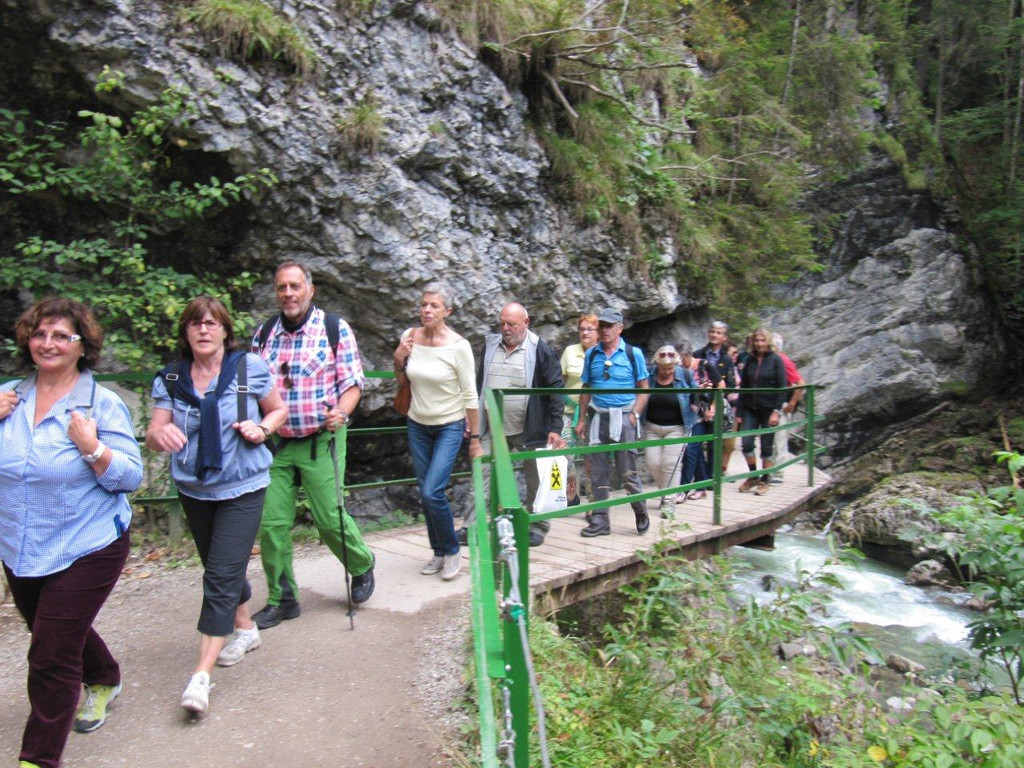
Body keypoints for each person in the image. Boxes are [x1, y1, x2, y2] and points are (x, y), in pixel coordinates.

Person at [0, 298, 143, 768]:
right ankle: (103, 677)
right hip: (21, 544)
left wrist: (93, 447)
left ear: (82, 346)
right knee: (53, 629)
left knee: (50, 654)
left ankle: (38, 759)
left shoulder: (102, 404)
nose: (48, 343)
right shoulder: (7, 398)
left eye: (61, 335)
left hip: (89, 544)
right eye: (40, 334)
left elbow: (129, 477)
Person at [147, 296, 288, 715]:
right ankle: (245, 628)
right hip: (195, 488)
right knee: (218, 566)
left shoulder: (249, 369)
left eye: (212, 323)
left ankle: (200, 676)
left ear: (226, 330)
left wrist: (262, 428)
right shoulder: (172, 378)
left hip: (243, 486)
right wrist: (160, 436)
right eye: (196, 324)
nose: (204, 330)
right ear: (186, 332)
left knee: (221, 575)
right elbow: (154, 431)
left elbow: (278, 410)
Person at [250, 261, 376, 629]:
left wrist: (341, 412)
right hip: (277, 443)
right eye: (282, 287)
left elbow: (352, 383)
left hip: (322, 438)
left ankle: (361, 563)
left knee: (328, 517)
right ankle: (282, 599)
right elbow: (254, 388)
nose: (288, 293)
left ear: (310, 289)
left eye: (294, 286)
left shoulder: (334, 329)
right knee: (271, 523)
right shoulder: (264, 335)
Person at [393, 283, 482, 579]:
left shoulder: (459, 346)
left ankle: (453, 549)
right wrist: (398, 358)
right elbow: (402, 380)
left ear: (447, 311)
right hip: (417, 424)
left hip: (449, 425)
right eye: (424, 305)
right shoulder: (409, 337)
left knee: (433, 491)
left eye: (434, 306)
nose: (427, 310)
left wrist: (475, 438)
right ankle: (438, 552)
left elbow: (470, 394)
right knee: (425, 491)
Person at [464, 302, 564, 548]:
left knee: (536, 479)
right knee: (481, 474)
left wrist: (555, 427)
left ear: (526, 323)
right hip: (491, 426)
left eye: (511, 324)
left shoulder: (541, 350)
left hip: (530, 428)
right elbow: (479, 384)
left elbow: (556, 390)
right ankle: (471, 527)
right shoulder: (490, 346)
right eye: (502, 323)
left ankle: (537, 526)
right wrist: (473, 417)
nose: (506, 328)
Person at [574, 307, 650, 537]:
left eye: (609, 326)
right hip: (598, 417)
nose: (604, 330)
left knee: (627, 471)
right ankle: (600, 520)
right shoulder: (592, 355)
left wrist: (634, 415)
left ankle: (640, 509)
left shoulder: (633, 354)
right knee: (597, 471)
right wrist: (581, 418)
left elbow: (644, 389)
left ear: (620, 328)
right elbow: (586, 388)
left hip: (624, 417)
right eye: (602, 325)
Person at [643, 345, 697, 518]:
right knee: (652, 463)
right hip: (652, 427)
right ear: (657, 365)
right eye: (664, 368)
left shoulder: (685, 375)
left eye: (670, 368)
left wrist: (698, 405)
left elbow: (696, 394)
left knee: (671, 464)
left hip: (677, 428)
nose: (667, 371)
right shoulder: (649, 375)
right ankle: (667, 491)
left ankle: (669, 502)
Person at [736, 328, 788, 495]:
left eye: (762, 340)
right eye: (757, 340)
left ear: (768, 342)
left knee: (766, 446)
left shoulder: (775, 360)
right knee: (746, 443)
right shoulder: (749, 360)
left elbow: (782, 387)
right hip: (750, 408)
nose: (759, 344)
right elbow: (744, 387)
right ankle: (753, 476)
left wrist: (776, 411)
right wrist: (739, 411)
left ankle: (765, 480)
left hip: (768, 409)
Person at [559, 313, 599, 503]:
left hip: (593, 414)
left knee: (591, 459)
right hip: (568, 412)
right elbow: (560, 380)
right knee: (564, 455)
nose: (585, 333)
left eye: (590, 329)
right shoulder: (569, 352)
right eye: (582, 329)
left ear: (598, 332)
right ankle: (571, 495)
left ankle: (593, 501)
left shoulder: (602, 353)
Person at [693, 320, 740, 475]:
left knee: (714, 442)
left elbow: (730, 384)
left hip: (717, 404)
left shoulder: (726, 359)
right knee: (696, 442)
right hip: (698, 403)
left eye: (718, 333)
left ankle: (712, 476)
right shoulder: (698, 354)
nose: (714, 335)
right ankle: (701, 476)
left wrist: (714, 402)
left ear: (724, 337)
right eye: (712, 331)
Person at [770, 332, 806, 475]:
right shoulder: (771, 360)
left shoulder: (783, 360)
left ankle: (779, 472)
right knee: (772, 440)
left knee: (779, 440)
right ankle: (771, 471)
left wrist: (792, 403)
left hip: (782, 405)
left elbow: (800, 383)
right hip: (772, 405)